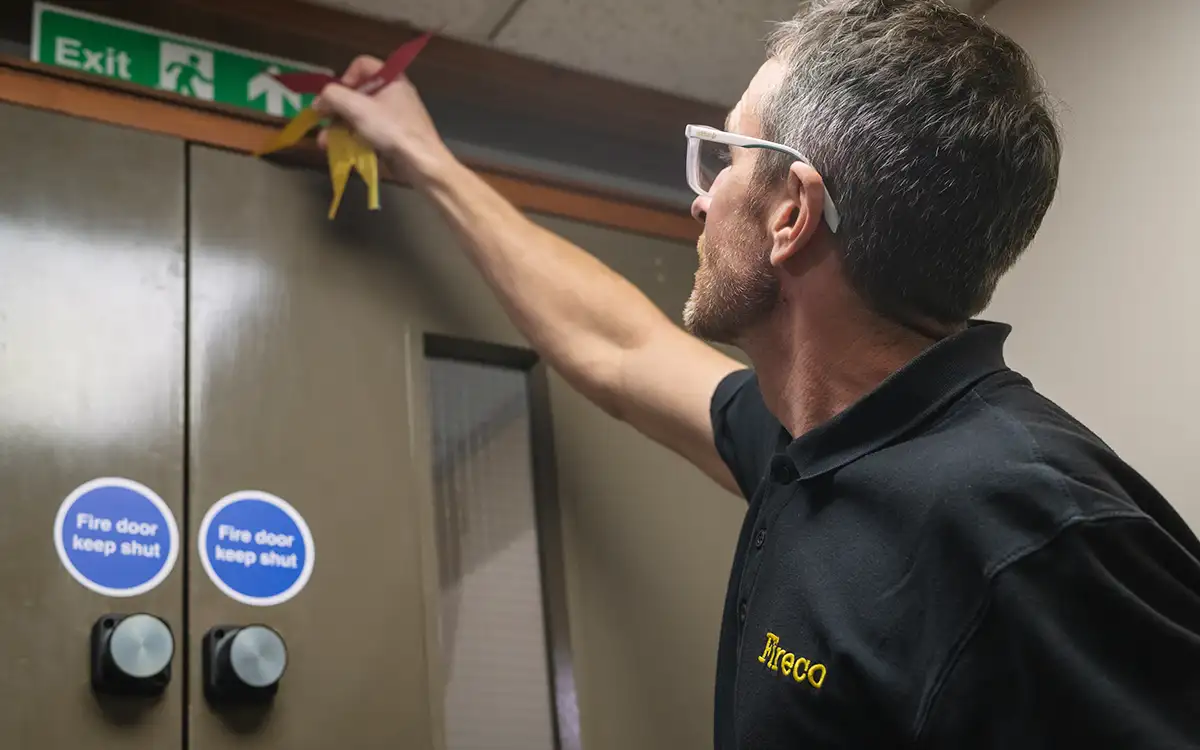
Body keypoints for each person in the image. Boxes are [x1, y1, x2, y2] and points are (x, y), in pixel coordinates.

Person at [315, 0, 1200, 746]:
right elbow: (616, 348)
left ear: (790, 215)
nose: (701, 198)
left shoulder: (1035, 531)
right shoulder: (820, 440)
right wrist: (426, 160)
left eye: (727, 158)